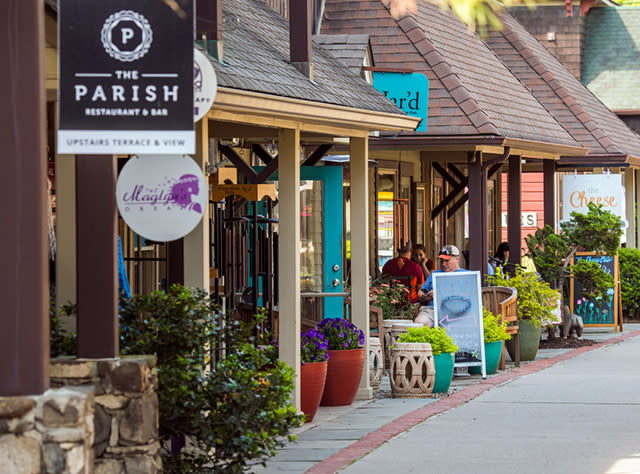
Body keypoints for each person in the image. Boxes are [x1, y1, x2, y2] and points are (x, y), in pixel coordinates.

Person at [414, 245, 466, 327]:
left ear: (457, 259)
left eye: (447, 261)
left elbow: (467, 295)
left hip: (456, 310)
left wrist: (439, 293)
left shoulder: (466, 275)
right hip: (432, 309)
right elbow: (421, 292)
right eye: (441, 261)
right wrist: (423, 296)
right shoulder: (435, 274)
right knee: (419, 322)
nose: (443, 264)